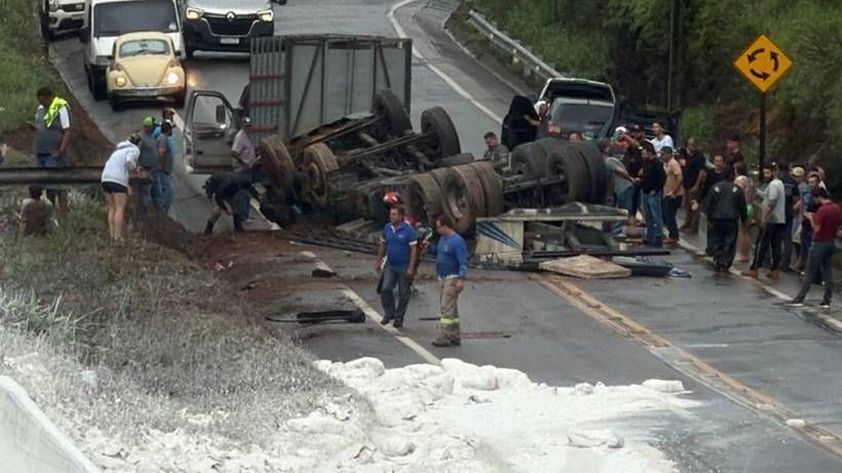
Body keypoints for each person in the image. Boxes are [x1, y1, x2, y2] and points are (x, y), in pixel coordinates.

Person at [785, 187, 841, 309]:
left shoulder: (822, 210)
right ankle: (827, 299)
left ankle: (800, 298)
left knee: (810, 271)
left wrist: (811, 218)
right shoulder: (836, 208)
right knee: (827, 272)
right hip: (831, 242)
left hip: (819, 243)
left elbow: (816, 229)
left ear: (818, 197)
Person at [424, 214, 468, 347]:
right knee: (451, 308)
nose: (437, 230)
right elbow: (439, 252)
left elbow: (463, 262)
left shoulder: (457, 241)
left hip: (452, 278)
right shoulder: (443, 239)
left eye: (439, 227)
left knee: (446, 308)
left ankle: (445, 336)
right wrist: (430, 248)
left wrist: (461, 279)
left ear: (446, 226)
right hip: (442, 276)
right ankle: (454, 335)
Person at [742, 163, 787, 279]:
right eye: (765, 173)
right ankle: (775, 269)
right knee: (776, 244)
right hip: (779, 219)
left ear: (774, 172)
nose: (766, 175)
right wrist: (757, 192)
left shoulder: (773, 185)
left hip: (770, 219)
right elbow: (768, 197)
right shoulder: (779, 183)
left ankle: (755, 268)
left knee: (761, 244)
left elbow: (771, 201)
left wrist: (764, 217)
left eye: (768, 173)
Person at [376, 206, 418, 328]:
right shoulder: (387, 228)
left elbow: (413, 250)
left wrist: (411, 267)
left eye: (394, 214)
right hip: (391, 265)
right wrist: (379, 261)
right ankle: (389, 312)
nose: (391, 216)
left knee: (403, 293)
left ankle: (399, 318)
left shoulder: (409, 231)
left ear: (401, 216)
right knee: (385, 288)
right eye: (391, 214)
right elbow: (383, 245)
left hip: (404, 266)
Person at [32, 86, 71, 212]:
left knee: (58, 184)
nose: (41, 103)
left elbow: (67, 131)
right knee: (47, 183)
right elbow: (40, 125)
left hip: (53, 153)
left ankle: (63, 212)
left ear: (49, 98)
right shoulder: (40, 109)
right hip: (41, 153)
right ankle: (50, 211)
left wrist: (61, 150)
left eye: (43, 100)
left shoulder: (61, 108)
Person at [101, 135, 142, 241]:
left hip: (105, 178)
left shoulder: (117, 151)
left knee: (112, 208)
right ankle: (118, 236)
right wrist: (135, 169)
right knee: (120, 208)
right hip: (117, 180)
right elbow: (129, 162)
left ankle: (112, 234)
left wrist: (126, 184)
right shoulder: (134, 150)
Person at [703, 174, 747, 273]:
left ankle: (718, 259)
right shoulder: (737, 190)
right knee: (730, 241)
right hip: (731, 219)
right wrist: (744, 220)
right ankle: (726, 261)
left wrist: (709, 217)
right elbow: (742, 206)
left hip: (717, 218)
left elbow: (709, 203)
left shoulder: (716, 187)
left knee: (718, 239)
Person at [693, 155, 735, 255]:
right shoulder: (711, 173)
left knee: (721, 230)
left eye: (720, 161)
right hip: (712, 204)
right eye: (716, 161)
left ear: (723, 163)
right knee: (711, 227)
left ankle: (721, 249)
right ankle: (710, 249)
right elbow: (705, 188)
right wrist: (698, 201)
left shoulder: (727, 175)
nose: (718, 164)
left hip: (723, 204)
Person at [604, 142, 635, 234]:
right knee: (623, 209)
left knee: (623, 210)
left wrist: (630, 178)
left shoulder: (608, 161)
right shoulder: (612, 160)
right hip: (622, 189)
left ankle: (616, 231)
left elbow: (619, 171)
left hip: (624, 188)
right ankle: (619, 230)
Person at [639, 142, 666, 247]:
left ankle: (658, 236)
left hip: (653, 193)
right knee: (648, 216)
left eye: (644, 153)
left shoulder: (657, 164)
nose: (643, 155)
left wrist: (656, 189)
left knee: (656, 215)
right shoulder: (646, 162)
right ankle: (649, 236)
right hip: (645, 191)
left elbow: (662, 178)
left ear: (649, 153)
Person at [681, 138, 706, 234]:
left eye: (692, 145)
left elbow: (701, 171)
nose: (690, 147)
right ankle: (687, 222)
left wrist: (697, 185)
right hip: (687, 183)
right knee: (687, 205)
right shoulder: (687, 156)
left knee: (694, 206)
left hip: (694, 184)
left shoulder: (699, 157)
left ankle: (694, 226)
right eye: (689, 145)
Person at [137, 116, 161, 216]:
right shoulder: (141, 138)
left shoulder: (152, 137)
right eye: (152, 126)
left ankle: (159, 214)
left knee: (157, 193)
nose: (154, 128)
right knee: (145, 193)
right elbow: (136, 152)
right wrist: (138, 167)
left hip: (154, 171)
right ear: (147, 127)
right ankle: (144, 214)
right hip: (145, 170)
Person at [661, 147, 684, 244]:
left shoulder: (674, 164)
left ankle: (674, 236)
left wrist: (674, 191)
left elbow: (679, 178)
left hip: (674, 194)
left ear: (669, 154)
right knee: (666, 215)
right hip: (666, 193)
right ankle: (672, 234)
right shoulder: (666, 164)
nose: (662, 156)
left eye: (663, 154)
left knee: (669, 215)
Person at [781, 164, 801, 271]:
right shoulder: (793, 182)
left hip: (778, 211)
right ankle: (785, 263)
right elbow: (796, 198)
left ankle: (775, 261)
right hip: (789, 211)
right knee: (787, 238)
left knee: (776, 237)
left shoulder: (778, 180)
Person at [154, 121, 175, 215]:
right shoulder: (163, 139)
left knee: (164, 190)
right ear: (168, 130)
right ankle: (163, 212)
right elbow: (161, 153)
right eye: (171, 129)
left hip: (164, 170)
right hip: (163, 170)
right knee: (168, 192)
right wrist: (161, 166)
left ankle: (161, 212)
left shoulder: (163, 138)